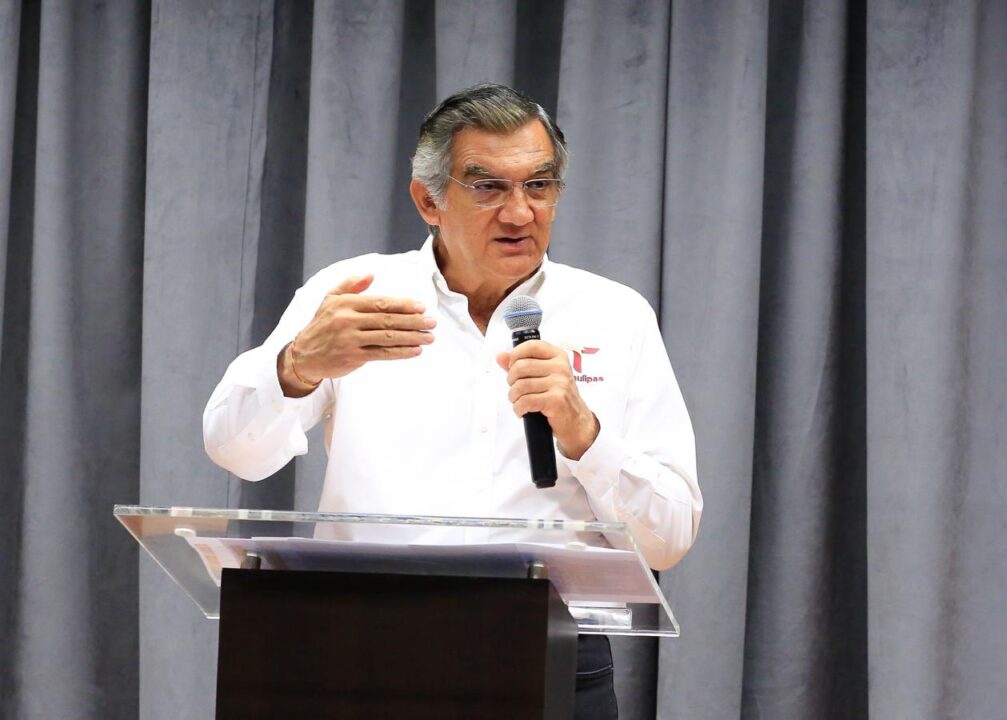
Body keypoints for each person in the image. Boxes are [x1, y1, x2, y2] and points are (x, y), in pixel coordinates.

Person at [203, 83, 702, 720]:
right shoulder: (356, 293)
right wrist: (298, 364)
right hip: (361, 647)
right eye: (488, 187)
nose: (520, 213)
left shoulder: (616, 315)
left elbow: (669, 538)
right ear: (428, 200)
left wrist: (585, 432)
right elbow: (233, 449)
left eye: (539, 185)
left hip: (548, 655)